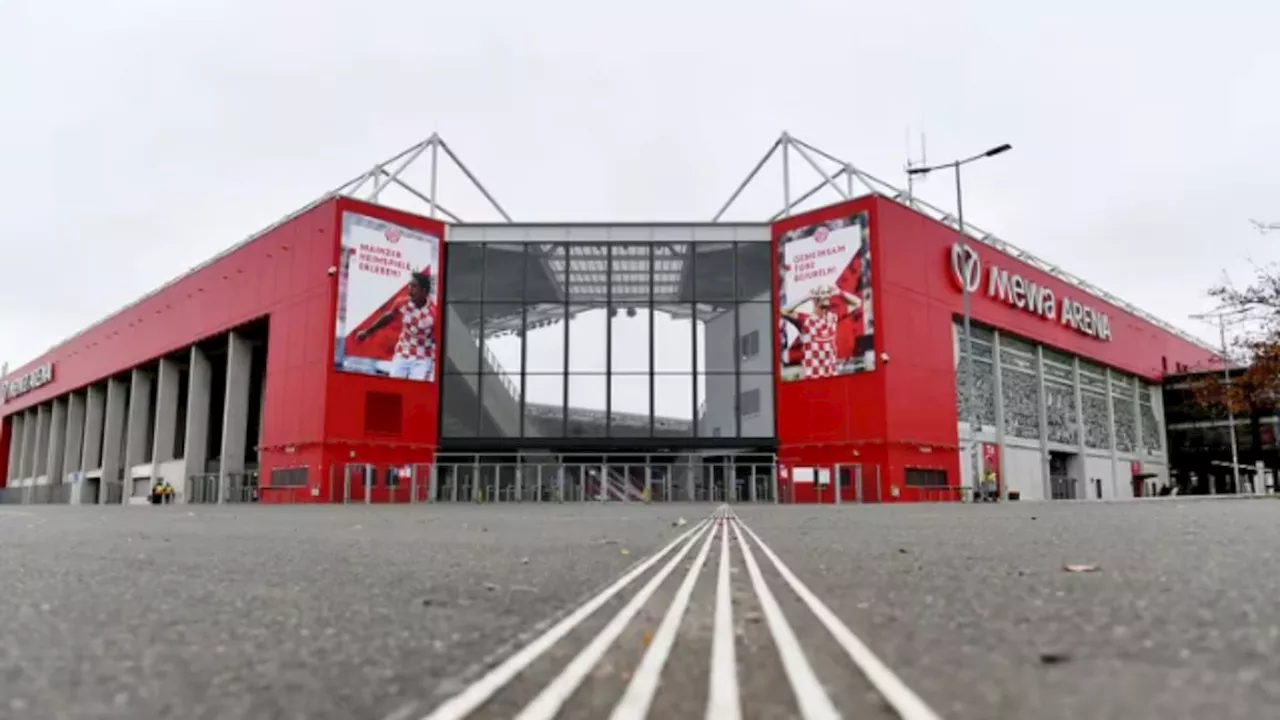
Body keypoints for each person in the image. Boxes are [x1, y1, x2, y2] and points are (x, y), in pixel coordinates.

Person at [356, 270, 436, 381]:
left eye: (414, 286)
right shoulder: (402, 303)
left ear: (424, 291)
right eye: (410, 285)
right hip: (402, 353)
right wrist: (367, 332)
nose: (410, 290)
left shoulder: (434, 313)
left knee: (416, 391)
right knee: (395, 385)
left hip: (422, 358)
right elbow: (388, 317)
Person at [780, 284, 862, 379]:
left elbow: (857, 303)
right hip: (813, 377)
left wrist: (839, 292)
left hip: (832, 376)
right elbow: (783, 311)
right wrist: (806, 297)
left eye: (827, 294)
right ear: (815, 300)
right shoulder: (805, 320)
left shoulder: (833, 317)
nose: (826, 296)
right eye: (822, 293)